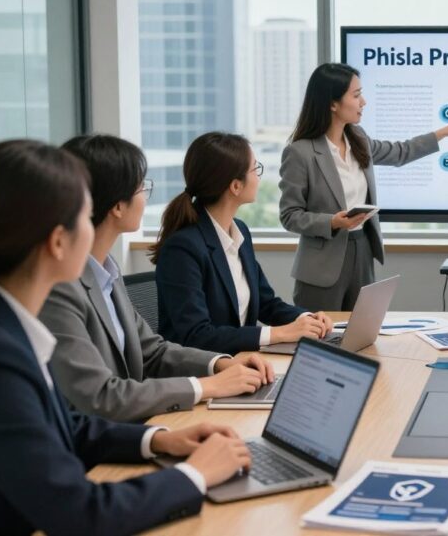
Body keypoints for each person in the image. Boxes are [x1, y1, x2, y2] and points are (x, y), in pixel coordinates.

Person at [0, 139, 252, 535]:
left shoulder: (3, 323)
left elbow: (68, 427)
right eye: (84, 214)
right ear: (58, 242)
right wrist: (194, 476)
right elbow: (80, 513)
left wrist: (160, 440)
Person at [39, 134, 275, 422]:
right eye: (142, 187)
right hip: (104, 443)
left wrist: (220, 363)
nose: (145, 195)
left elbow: (152, 350)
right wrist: (205, 386)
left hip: (140, 424)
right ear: (117, 206)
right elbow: (101, 397)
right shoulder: (61, 290)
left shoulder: (107, 272)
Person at [279, 62, 448, 310]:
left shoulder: (358, 138)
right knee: (321, 339)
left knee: (360, 336)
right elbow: (289, 216)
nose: (364, 102)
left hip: (362, 250)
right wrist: (333, 222)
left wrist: (444, 132)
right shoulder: (300, 152)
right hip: (322, 264)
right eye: (357, 95)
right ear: (332, 103)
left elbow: (400, 152)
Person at [151, 131, 333, 354]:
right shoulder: (183, 248)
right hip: (200, 374)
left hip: (241, 363)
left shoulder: (240, 232)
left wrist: (307, 319)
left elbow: (266, 303)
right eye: (255, 169)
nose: (259, 177)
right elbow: (196, 336)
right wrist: (280, 333)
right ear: (235, 186)